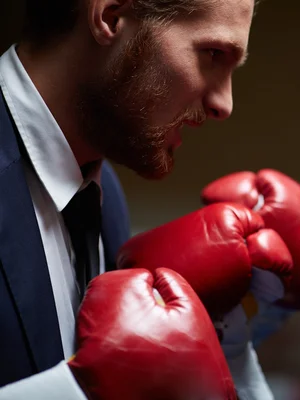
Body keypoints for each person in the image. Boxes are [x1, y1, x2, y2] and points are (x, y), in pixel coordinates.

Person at [0, 0, 256, 398]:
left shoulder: (102, 192)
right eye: (212, 54)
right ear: (110, 17)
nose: (224, 104)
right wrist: (74, 390)